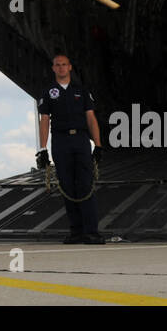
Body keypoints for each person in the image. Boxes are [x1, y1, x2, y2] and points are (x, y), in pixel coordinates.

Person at [36, 53, 105, 244]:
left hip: (81, 140)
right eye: (57, 65)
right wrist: (42, 149)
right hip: (60, 141)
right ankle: (76, 232)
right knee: (67, 186)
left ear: (70, 67)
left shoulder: (81, 91)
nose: (61, 68)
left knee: (85, 184)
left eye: (64, 65)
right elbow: (44, 120)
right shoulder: (48, 92)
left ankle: (91, 231)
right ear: (53, 68)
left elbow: (91, 118)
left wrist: (97, 145)